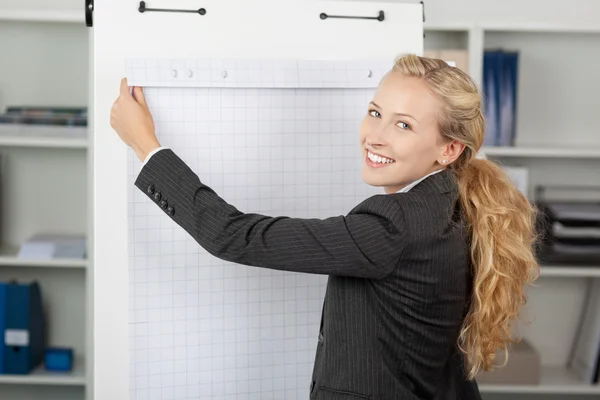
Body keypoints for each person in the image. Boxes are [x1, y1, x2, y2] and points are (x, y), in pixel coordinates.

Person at [110, 54, 539, 400]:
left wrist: (146, 145)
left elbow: (231, 234)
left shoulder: (395, 225)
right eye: (375, 113)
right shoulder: (454, 204)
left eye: (404, 125)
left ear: (448, 149)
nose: (376, 136)